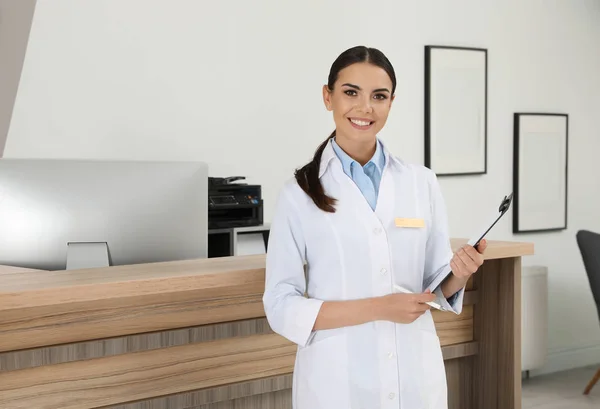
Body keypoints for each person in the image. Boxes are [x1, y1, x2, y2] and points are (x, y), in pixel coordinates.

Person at [262, 45, 487, 409]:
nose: (365, 107)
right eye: (351, 92)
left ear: (391, 103)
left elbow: (435, 284)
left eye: (378, 96)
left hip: (415, 376)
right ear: (327, 96)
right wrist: (380, 307)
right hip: (337, 382)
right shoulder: (297, 195)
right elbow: (280, 305)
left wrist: (460, 273)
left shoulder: (421, 181)